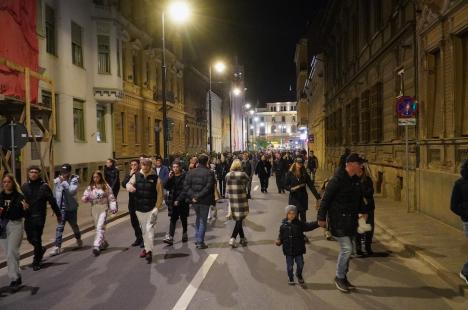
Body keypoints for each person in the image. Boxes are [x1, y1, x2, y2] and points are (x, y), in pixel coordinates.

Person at [317, 153, 368, 293]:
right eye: (359, 163)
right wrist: (321, 218)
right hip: (338, 220)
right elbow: (325, 200)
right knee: (347, 249)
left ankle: (343, 277)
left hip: (351, 221)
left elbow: (359, 198)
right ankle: (339, 277)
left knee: (349, 250)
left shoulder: (355, 180)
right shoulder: (337, 180)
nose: (361, 166)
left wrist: (364, 211)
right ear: (351, 164)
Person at [21, 166, 61, 271]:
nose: (33, 174)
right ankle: (40, 249)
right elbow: (19, 201)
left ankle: (36, 261)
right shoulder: (24, 187)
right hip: (28, 217)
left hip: (39, 217)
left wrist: (58, 215)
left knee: (37, 239)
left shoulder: (44, 186)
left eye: (35, 172)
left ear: (39, 174)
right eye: (31, 172)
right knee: (30, 238)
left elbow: (52, 201)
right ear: (28, 174)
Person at [126, 158, 162, 263]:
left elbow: (160, 194)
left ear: (150, 166)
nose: (144, 167)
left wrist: (157, 207)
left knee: (149, 229)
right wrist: (129, 187)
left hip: (151, 208)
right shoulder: (136, 176)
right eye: (142, 165)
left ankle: (149, 252)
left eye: (146, 165)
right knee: (144, 231)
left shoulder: (156, 178)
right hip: (139, 208)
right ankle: (146, 249)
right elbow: (128, 183)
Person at [275, 205, 319, 285]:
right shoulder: (283, 226)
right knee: (290, 266)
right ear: (286, 214)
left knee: (300, 264)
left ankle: (299, 275)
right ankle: (290, 277)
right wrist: (279, 241)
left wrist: (317, 223)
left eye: (293, 213)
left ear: (296, 215)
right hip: (288, 250)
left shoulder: (299, 224)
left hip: (299, 249)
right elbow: (281, 235)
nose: (291, 215)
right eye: (289, 213)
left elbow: (309, 226)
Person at [0, 174, 28, 291]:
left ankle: (14, 278)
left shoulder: (19, 196)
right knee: (9, 254)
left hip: (15, 225)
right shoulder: (0, 196)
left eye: (8, 182)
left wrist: (25, 209)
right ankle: (17, 276)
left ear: (13, 183)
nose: (6, 184)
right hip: (2, 226)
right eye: (4, 182)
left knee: (12, 252)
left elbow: (23, 214)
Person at [283, 157, 321, 243]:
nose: (299, 165)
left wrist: (318, 197)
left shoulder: (304, 174)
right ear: (295, 163)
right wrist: (291, 189)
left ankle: (302, 235)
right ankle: (294, 234)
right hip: (293, 199)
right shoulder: (290, 173)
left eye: (301, 163)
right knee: (294, 218)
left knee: (303, 219)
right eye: (298, 163)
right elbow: (285, 185)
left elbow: (311, 186)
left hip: (303, 199)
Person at [81, 171, 118, 256]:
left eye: (97, 177)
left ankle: (96, 245)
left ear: (100, 177)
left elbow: (111, 197)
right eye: (94, 177)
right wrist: (85, 198)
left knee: (100, 226)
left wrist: (113, 208)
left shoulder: (105, 186)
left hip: (103, 208)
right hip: (94, 208)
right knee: (98, 227)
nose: (95, 179)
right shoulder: (90, 187)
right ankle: (103, 243)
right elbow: (85, 196)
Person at [183, 154, 214, 249]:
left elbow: (186, 186)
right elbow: (208, 187)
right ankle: (200, 242)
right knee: (202, 221)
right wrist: (198, 196)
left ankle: (197, 239)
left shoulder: (191, 172)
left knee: (198, 218)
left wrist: (193, 196)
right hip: (204, 200)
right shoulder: (209, 172)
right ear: (206, 161)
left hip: (194, 201)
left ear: (198, 162)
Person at [50, 164, 82, 256]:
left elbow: (72, 191)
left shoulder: (74, 180)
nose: (64, 174)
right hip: (61, 208)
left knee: (74, 225)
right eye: (62, 172)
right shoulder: (57, 181)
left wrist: (64, 182)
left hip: (72, 208)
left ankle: (78, 238)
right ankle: (57, 246)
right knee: (60, 227)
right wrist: (54, 208)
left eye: (66, 172)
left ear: (69, 172)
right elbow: (54, 195)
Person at [450, 159, 468, 285]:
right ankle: (466, 272)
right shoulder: (459, 184)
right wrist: (466, 213)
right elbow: (453, 206)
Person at [163, 160, 189, 245]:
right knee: (173, 219)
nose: (175, 169)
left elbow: (185, 189)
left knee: (183, 218)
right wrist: (169, 178)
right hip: (173, 201)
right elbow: (166, 186)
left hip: (182, 201)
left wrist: (179, 199)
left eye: (177, 167)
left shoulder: (185, 176)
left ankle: (184, 233)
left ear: (180, 167)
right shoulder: (172, 176)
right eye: (173, 167)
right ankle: (170, 237)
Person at [226, 159, 250, 248]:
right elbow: (248, 181)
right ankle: (233, 237)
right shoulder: (242, 174)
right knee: (240, 218)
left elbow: (227, 185)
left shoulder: (227, 175)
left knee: (238, 219)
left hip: (232, 198)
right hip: (241, 198)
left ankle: (243, 238)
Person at [122, 159, 143, 247]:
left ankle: (143, 239)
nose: (133, 166)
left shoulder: (141, 174)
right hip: (132, 201)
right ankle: (138, 238)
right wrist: (129, 175)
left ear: (138, 165)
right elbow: (123, 184)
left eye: (135, 164)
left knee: (141, 221)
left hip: (140, 201)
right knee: (134, 221)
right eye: (132, 165)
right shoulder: (129, 174)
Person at [356, 163, 375, 256]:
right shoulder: (354, 180)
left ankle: (368, 247)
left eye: (360, 169)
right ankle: (358, 247)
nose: (359, 171)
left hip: (369, 207)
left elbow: (371, 191)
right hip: (359, 208)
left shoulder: (368, 180)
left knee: (369, 228)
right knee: (360, 228)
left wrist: (362, 193)